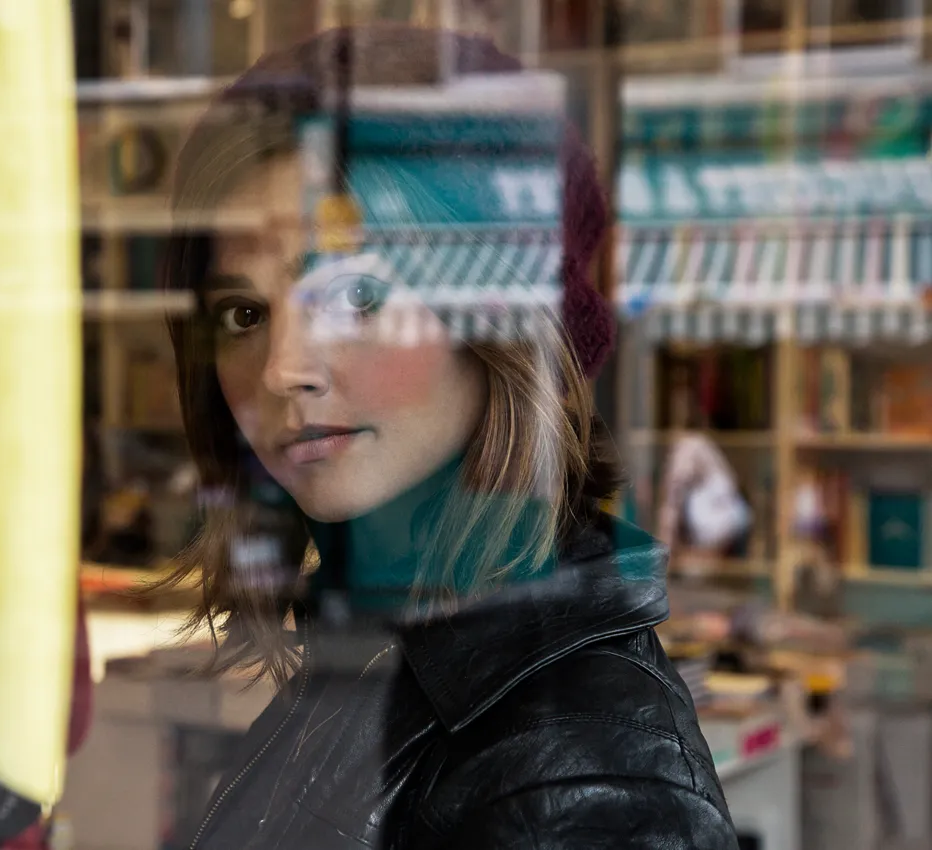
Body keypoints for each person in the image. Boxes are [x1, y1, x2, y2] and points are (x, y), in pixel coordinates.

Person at [156, 26, 737, 849]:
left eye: (357, 295)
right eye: (243, 314)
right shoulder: (379, 651)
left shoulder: (579, 771)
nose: (284, 367)